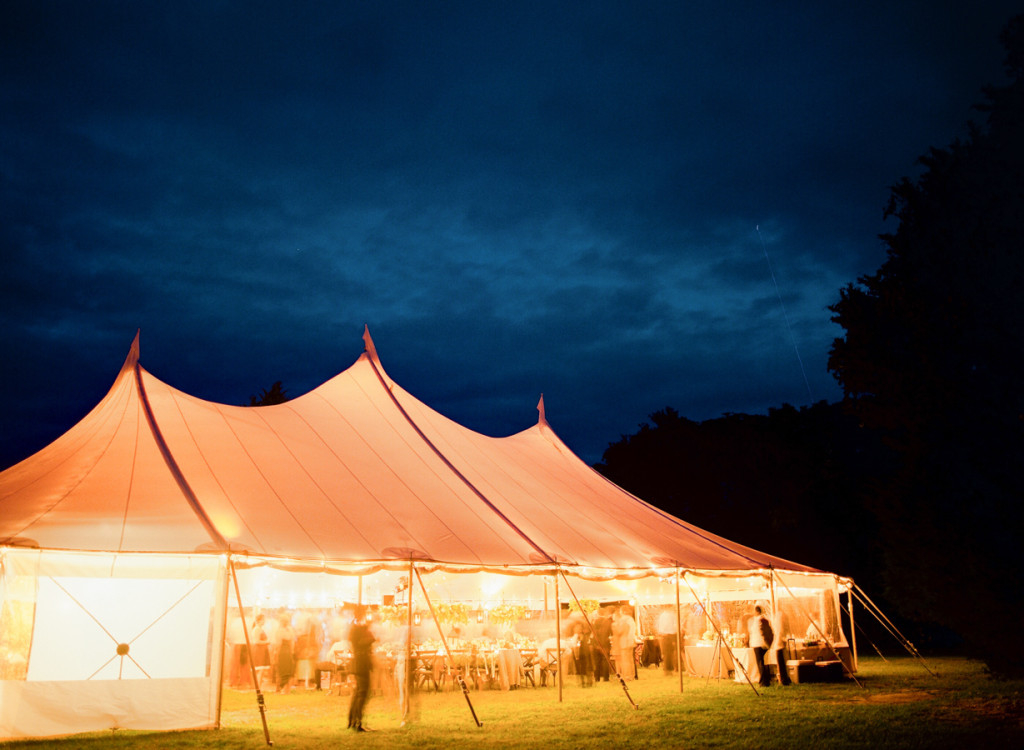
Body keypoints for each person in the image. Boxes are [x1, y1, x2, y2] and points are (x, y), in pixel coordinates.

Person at [347, 606, 376, 732]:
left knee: (358, 692)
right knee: (362, 693)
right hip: (361, 662)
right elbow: (359, 641)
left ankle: (353, 720)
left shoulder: (356, 626)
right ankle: (357, 722)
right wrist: (370, 638)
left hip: (360, 662)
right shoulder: (355, 627)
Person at [747, 605, 772, 687]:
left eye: (754, 611)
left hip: (758, 643)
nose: (753, 612)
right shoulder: (758, 620)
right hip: (759, 643)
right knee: (761, 662)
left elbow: (756, 632)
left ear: (757, 611)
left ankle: (764, 681)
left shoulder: (759, 620)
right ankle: (765, 680)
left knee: (760, 663)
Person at [612, 605, 637, 681]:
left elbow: (620, 631)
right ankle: (632, 675)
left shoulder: (623, 620)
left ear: (623, 612)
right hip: (631, 641)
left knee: (625, 661)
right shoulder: (631, 619)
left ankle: (626, 676)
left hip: (624, 642)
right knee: (630, 660)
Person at [273, 612, 297, 694]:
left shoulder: (279, 631)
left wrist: (275, 652)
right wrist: (292, 652)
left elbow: (278, 643)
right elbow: (292, 642)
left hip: (282, 651)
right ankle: (288, 690)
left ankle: (278, 689)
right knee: (289, 670)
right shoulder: (290, 630)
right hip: (289, 652)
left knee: (280, 669)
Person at [657, 606, 680, 675]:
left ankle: (667, 670)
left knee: (666, 654)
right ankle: (669, 670)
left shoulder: (662, 615)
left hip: (664, 635)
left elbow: (660, 626)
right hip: (670, 635)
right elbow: (675, 625)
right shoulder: (671, 615)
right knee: (670, 654)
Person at [592, 607, 613, 682]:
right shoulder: (608, 622)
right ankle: (606, 678)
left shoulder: (595, 622)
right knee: (605, 661)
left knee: (596, 662)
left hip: (596, 644)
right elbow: (611, 633)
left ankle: (596, 678)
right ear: (604, 613)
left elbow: (593, 633)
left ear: (598, 613)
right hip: (605, 644)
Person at [772, 607, 791, 685]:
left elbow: (780, 630)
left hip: (779, 643)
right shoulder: (781, 615)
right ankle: (784, 678)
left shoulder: (779, 616)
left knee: (781, 662)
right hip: (780, 642)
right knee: (782, 662)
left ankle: (783, 679)